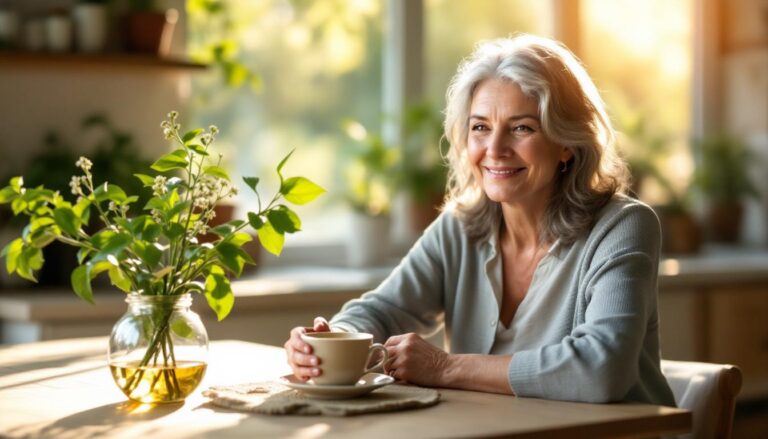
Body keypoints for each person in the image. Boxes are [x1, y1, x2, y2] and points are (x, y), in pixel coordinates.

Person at [284, 34, 676, 405]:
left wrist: (444, 366)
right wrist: (330, 341)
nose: (494, 149)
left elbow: (602, 369)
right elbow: (381, 312)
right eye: (480, 128)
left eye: (522, 128)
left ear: (566, 144)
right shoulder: (458, 228)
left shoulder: (623, 227)